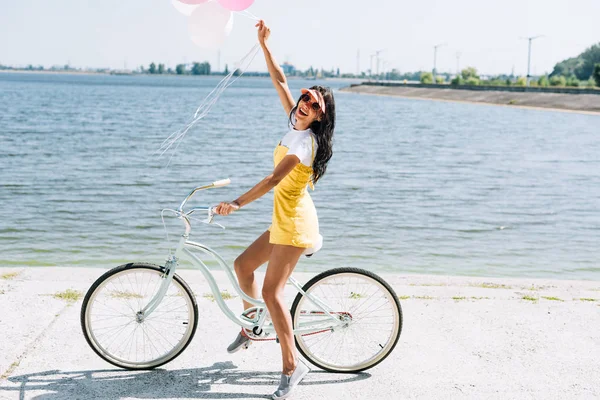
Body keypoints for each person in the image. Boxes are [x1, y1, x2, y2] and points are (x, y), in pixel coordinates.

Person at [214, 19, 336, 400]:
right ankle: (253, 325)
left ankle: (292, 367)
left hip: (296, 225)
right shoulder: (294, 125)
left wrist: (235, 202)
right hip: (284, 219)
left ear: (320, 116)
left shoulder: (303, 145)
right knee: (242, 266)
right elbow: (281, 81)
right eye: (305, 98)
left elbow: (271, 181)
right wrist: (264, 46)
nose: (304, 104)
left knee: (273, 294)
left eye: (313, 104)